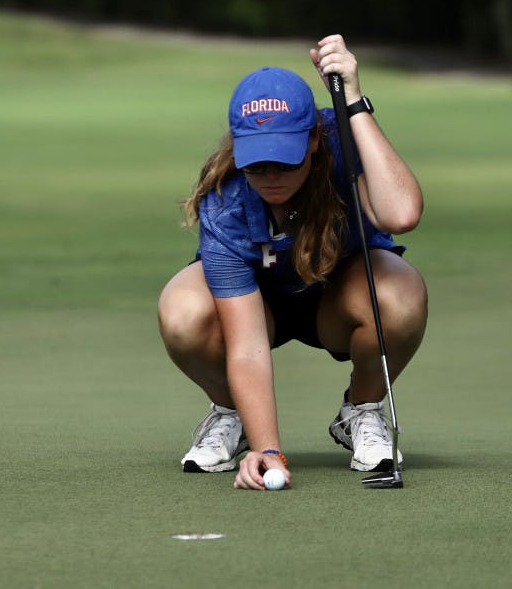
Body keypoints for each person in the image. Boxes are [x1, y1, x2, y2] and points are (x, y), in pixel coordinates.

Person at [157, 34, 427, 490]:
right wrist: (268, 451)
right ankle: (235, 415)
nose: (271, 177)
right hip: (260, 311)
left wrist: (354, 103)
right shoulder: (226, 202)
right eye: (257, 164)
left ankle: (360, 410)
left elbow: (401, 214)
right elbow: (246, 346)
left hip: (341, 301)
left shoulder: (342, 142)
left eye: (284, 161)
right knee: (182, 309)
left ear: (315, 139)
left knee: (401, 294)